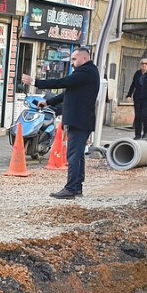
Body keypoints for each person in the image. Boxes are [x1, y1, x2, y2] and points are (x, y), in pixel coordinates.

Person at [34, 48, 100, 199]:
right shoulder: (86, 73)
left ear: (84, 58)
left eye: (74, 59)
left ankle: (70, 189)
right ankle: (76, 187)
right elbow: (68, 92)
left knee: (73, 156)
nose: (72, 63)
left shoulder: (86, 72)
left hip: (79, 120)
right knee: (78, 155)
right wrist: (48, 102)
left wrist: (36, 82)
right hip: (80, 120)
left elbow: (63, 82)